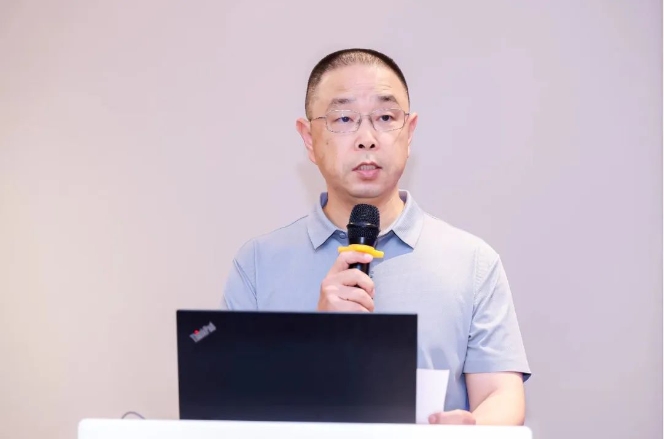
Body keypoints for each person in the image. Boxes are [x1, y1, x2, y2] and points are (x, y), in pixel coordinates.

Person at [221, 48, 531, 426]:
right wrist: (316, 340)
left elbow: (501, 394)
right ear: (309, 138)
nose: (366, 138)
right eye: (344, 118)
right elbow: (230, 407)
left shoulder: (473, 262)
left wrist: (472, 431)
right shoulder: (258, 265)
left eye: (385, 117)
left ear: (409, 132)